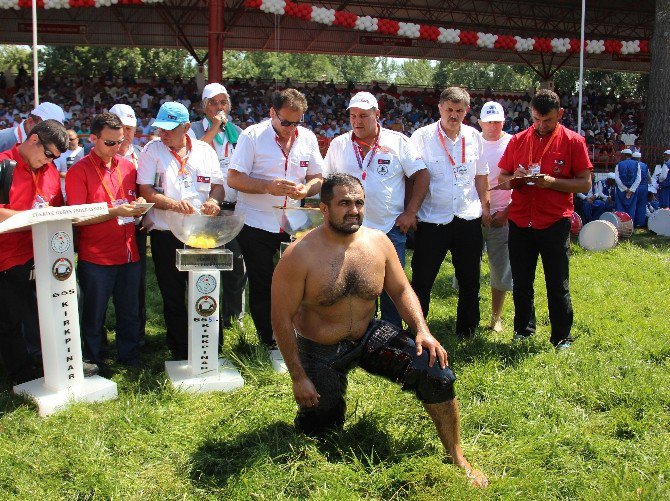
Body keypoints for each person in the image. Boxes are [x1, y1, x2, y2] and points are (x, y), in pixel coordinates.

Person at [271, 174, 488, 488]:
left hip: (367, 335)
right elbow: (280, 319)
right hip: (320, 350)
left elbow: (401, 291)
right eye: (344, 203)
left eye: (358, 203)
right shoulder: (298, 255)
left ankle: (457, 456)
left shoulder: (379, 243)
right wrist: (298, 376)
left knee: (435, 371)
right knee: (321, 430)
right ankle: (319, 418)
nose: (353, 210)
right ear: (324, 209)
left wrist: (422, 331)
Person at [228, 89, 324, 368]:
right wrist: (266, 187)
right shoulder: (252, 136)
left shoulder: (307, 138)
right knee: (263, 281)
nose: (291, 129)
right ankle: (268, 338)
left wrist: (307, 188)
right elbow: (233, 178)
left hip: (293, 222)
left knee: (297, 281)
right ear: (272, 113)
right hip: (256, 222)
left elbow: (317, 176)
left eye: (297, 122)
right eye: (285, 122)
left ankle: (298, 332)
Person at [324, 91, 429, 327]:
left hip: (389, 228)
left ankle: (391, 340)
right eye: (352, 116)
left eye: (363, 116)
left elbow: (421, 175)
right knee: (353, 288)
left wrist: (410, 212)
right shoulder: (339, 144)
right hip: (349, 230)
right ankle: (357, 338)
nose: (357, 121)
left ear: (377, 115)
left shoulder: (398, 141)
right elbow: (327, 183)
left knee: (393, 290)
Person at [498, 89, 592, 350]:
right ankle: (523, 330)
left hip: (554, 221)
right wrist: (514, 178)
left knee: (557, 281)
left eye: (547, 120)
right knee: (522, 280)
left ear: (560, 114)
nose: (540, 126)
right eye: (536, 119)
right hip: (520, 221)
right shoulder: (517, 140)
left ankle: (561, 336)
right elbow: (501, 180)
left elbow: (585, 184)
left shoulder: (573, 142)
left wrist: (552, 182)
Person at [137, 102, 225, 361]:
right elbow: (146, 190)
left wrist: (214, 202)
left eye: (169, 129)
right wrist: (174, 205)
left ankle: (211, 346)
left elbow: (217, 186)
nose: (163, 134)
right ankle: (179, 348)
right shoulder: (152, 151)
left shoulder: (205, 151)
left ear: (186, 127)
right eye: (160, 128)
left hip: (200, 232)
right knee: (173, 294)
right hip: (166, 233)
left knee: (206, 287)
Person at [65, 112, 146, 370]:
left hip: (128, 253)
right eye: (109, 143)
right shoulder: (79, 171)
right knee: (94, 313)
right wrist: (114, 211)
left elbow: (136, 197)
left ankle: (130, 356)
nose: (116, 148)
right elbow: (76, 217)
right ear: (93, 139)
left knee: (130, 311)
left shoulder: (128, 167)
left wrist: (141, 204)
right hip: (96, 257)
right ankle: (94, 358)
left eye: (120, 142)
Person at [409, 87, 491, 339]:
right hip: (433, 218)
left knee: (470, 279)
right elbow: (411, 176)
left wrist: (486, 208)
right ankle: (417, 330)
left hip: (467, 216)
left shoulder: (474, 136)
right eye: (449, 110)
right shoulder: (422, 136)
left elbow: (481, 175)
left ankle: (467, 330)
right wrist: (409, 211)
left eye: (459, 111)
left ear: (467, 111)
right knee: (422, 279)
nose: (453, 115)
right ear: (440, 108)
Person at [0, 119, 69, 384]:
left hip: (44, 255)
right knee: (10, 319)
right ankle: (20, 375)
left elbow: (56, 207)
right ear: (34, 139)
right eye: (48, 153)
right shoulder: (4, 164)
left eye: (56, 158)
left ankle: (49, 362)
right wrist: (32, 216)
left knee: (46, 313)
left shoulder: (50, 169)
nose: (50, 161)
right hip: (9, 258)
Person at [188, 83, 247, 330]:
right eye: (214, 102)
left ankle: (234, 321)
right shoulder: (191, 130)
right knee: (205, 264)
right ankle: (203, 317)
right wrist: (213, 129)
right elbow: (192, 155)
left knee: (236, 266)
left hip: (233, 207)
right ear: (204, 106)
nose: (219, 107)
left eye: (223, 102)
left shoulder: (239, 133)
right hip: (205, 208)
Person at [109, 103, 148, 345]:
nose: (126, 133)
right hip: (103, 228)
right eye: (122, 127)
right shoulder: (92, 154)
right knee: (99, 287)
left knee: (136, 286)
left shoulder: (142, 155)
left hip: (134, 228)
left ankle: (137, 336)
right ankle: (98, 342)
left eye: (131, 128)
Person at [478, 101, 513, 333]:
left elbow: (521, 182)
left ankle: (495, 317)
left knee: (500, 268)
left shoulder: (512, 142)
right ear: (480, 122)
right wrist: (482, 210)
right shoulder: (471, 142)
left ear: (504, 122)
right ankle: (469, 313)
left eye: (497, 122)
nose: (493, 126)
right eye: (489, 122)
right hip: (474, 213)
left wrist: (507, 212)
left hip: (502, 213)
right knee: (468, 268)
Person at [0, 102, 65, 152]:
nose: (50, 134)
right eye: (47, 128)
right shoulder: (3, 140)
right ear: (30, 121)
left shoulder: (50, 148)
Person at [53, 130, 85, 201]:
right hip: (66, 194)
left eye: (71, 139)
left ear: (77, 139)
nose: (69, 141)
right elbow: (54, 172)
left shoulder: (84, 152)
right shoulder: (59, 154)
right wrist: (70, 175)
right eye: (66, 139)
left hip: (83, 192)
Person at [614, 149, 641, 223]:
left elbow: (617, 179)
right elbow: (638, 178)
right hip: (633, 190)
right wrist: (631, 189)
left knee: (620, 207)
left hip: (621, 190)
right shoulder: (637, 164)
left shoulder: (619, 164)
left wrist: (625, 189)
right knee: (632, 208)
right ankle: (630, 225)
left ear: (624, 155)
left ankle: (621, 225)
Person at [632, 151, 649, 228]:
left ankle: (633, 222)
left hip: (635, 187)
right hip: (644, 187)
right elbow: (649, 177)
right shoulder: (645, 165)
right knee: (642, 205)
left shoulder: (632, 165)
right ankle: (641, 222)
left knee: (633, 204)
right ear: (640, 158)